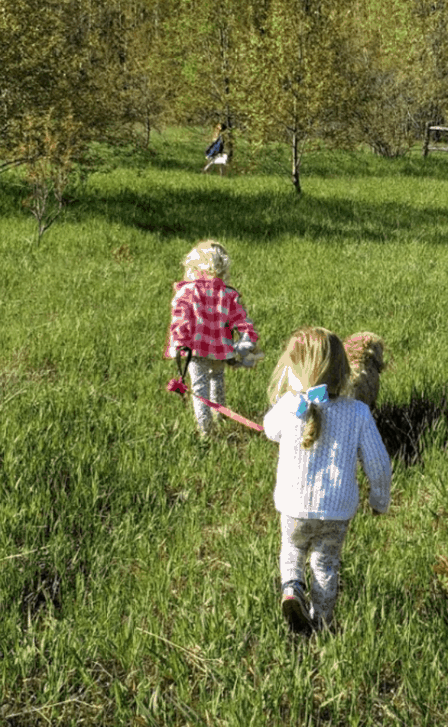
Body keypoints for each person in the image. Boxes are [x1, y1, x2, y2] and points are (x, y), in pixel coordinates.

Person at [263, 327, 391, 633]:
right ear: (344, 369)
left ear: (292, 369)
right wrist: (379, 500)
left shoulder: (289, 406)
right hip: (337, 510)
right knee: (325, 563)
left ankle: (292, 588)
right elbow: (378, 462)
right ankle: (321, 621)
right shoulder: (358, 412)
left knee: (292, 550)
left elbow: (269, 430)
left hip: (294, 506)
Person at [165, 239, 258, 433]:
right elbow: (241, 319)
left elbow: (180, 318)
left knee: (200, 388)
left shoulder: (187, 291)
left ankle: (205, 430)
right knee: (217, 378)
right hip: (220, 348)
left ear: (193, 265)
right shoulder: (228, 293)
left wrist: (181, 341)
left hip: (195, 348)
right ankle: (221, 415)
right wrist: (247, 337)